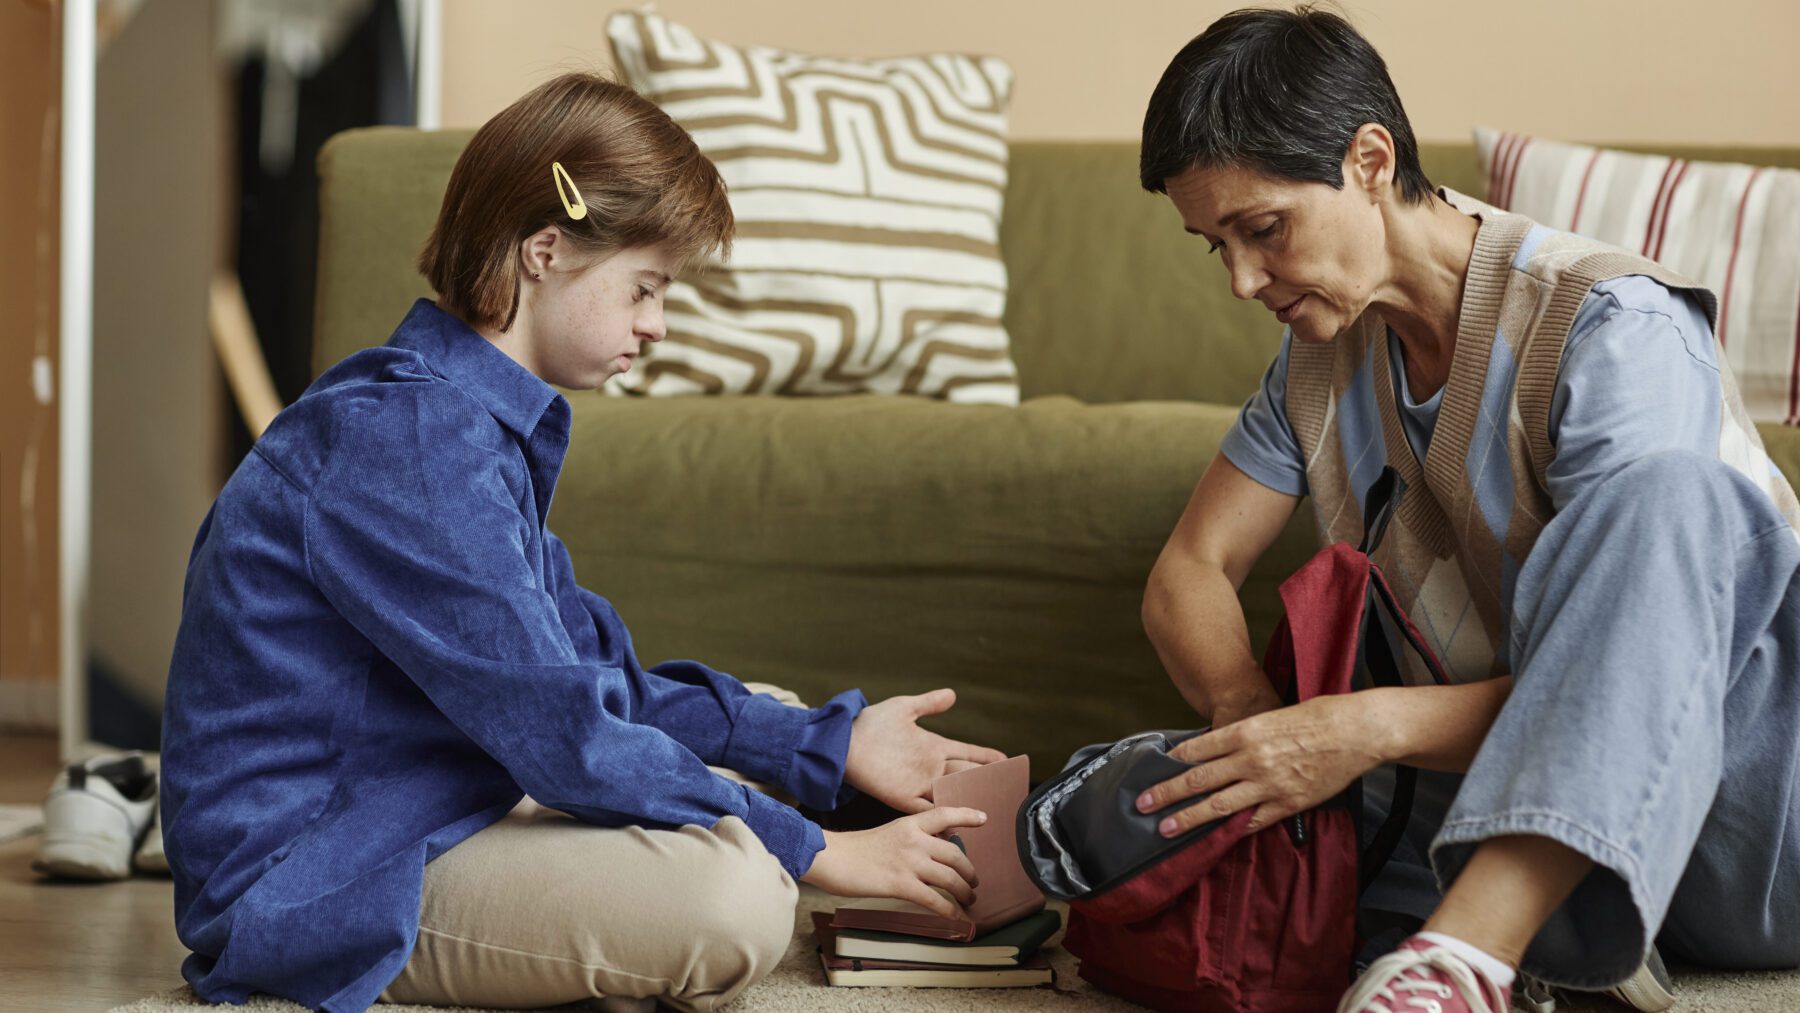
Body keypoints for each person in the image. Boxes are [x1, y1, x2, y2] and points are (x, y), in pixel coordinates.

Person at [160, 73, 1004, 1013]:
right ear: (545, 251)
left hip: (439, 797)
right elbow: (564, 734)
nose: (657, 324)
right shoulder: (408, 442)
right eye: (644, 287)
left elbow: (597, 681)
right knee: (735, 902)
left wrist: (829, 742)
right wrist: (822, 848)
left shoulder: (470, 426)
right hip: (323, 872)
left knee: (756, 724)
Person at [1130, 6, 1800, 1013]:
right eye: (1211, 245)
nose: (1240, 279)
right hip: (1552, 855)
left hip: (1755, 823)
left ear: (1367, 159)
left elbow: (1637, 667)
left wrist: (1360, 729)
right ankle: (1510, 946)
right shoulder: (1316, 365)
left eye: (1263, 230)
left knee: (1671, 493)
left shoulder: (1612, 326)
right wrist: (1255, 720)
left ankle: (1463, 958)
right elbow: (1189, 571)